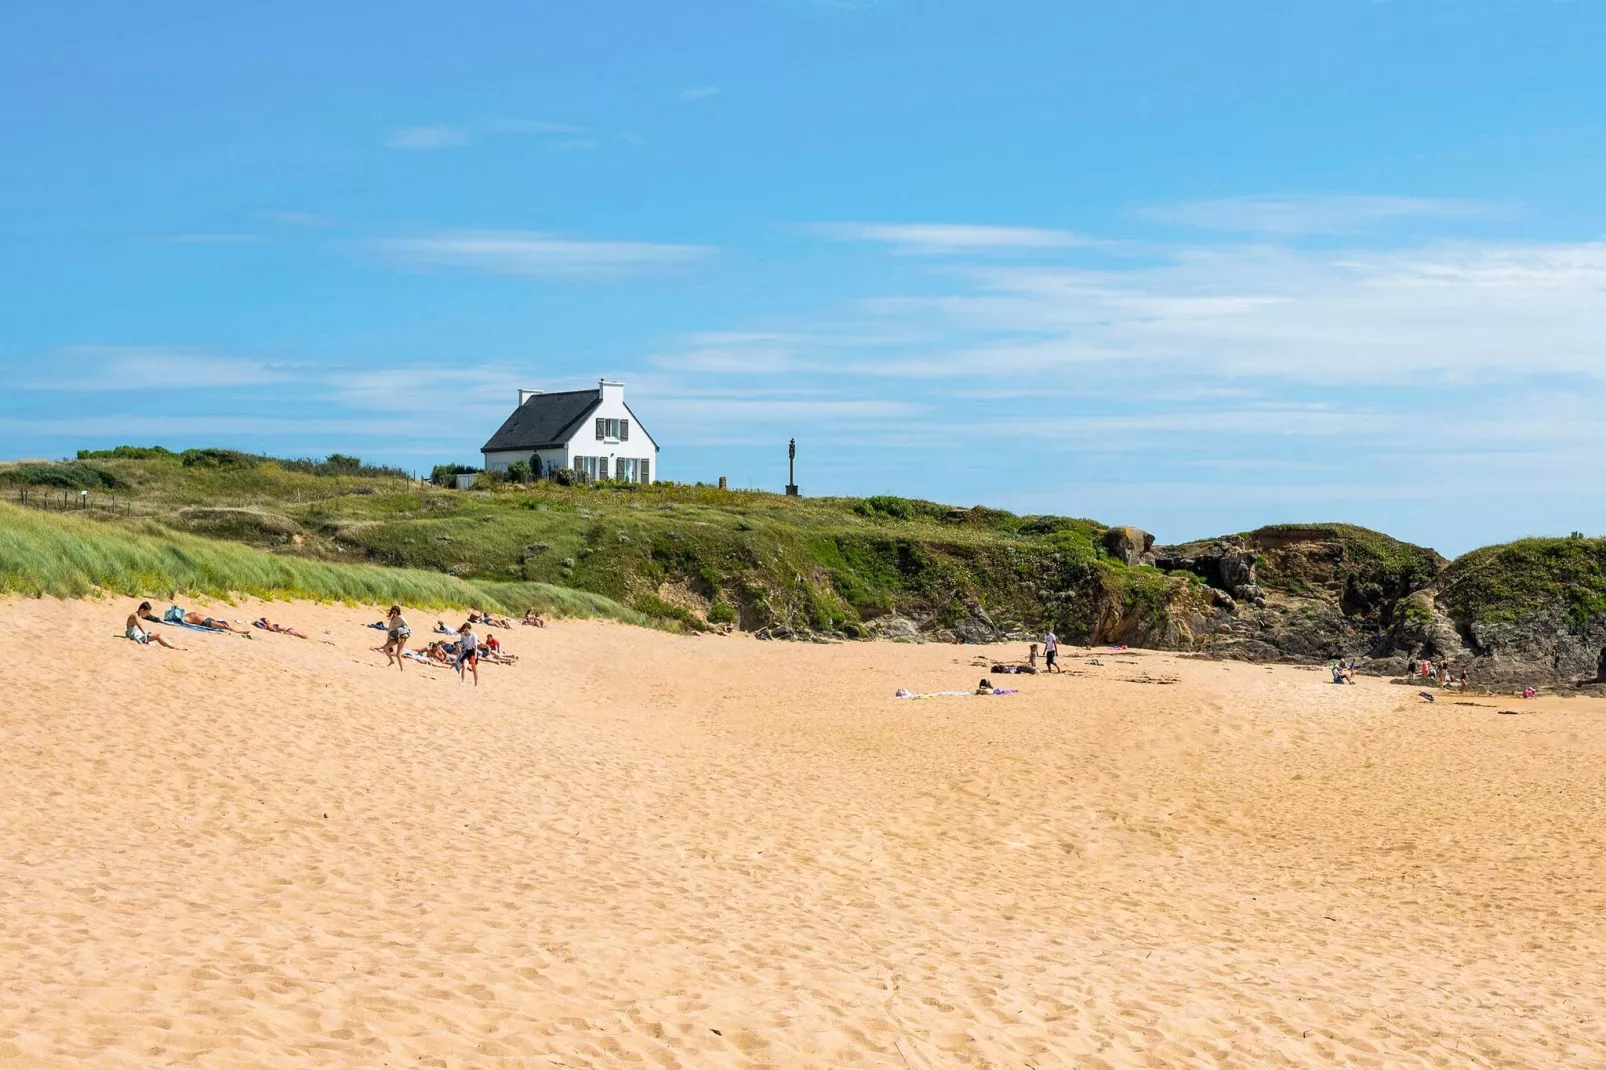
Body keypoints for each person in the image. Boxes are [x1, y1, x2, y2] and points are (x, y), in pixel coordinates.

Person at [380, 606, 411, 671]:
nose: (394, 613)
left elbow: (408, 628)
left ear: (398, 612)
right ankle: (391, 661)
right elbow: (390, 630)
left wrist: (402, 633)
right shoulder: (393, 619)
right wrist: (388, 639)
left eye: (395, 612)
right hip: (394, 636)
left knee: (398, 655)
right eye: (392, 612)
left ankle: (402, 669)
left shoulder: (401, 618)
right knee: (386, 647)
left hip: (402, 637)